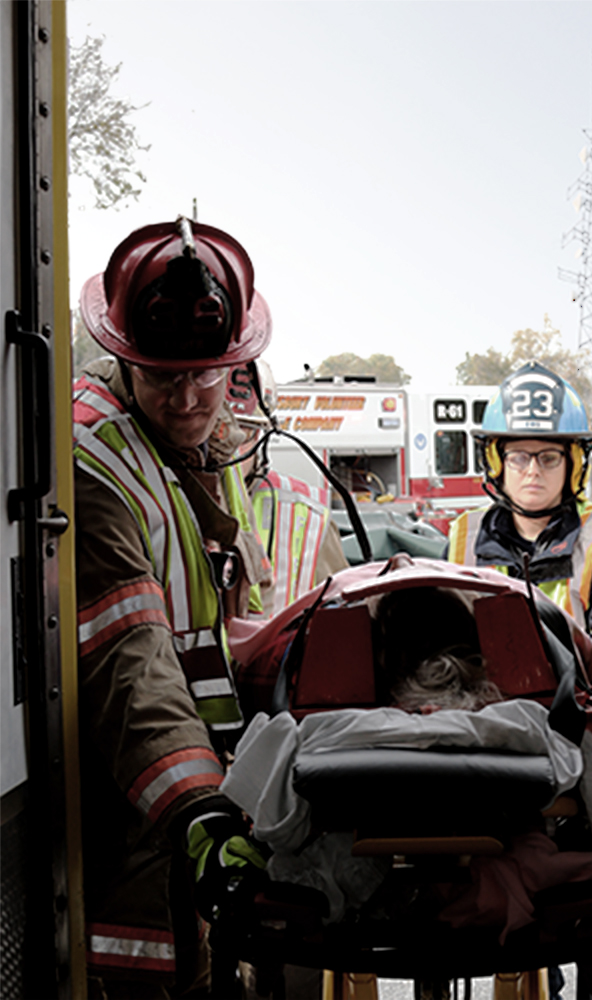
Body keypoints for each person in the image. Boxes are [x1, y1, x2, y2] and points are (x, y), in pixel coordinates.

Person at [74, 218, 278, 997]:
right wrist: (196, 803)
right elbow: (133, 661)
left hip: (200, 818)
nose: (189, 397)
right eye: (164, 377)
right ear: (124, 363)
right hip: (142, 829)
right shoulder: (96, 463)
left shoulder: (195, 451)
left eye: (210, 375)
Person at [448, 361, 592, 632]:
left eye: (549, 458)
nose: (533, 471)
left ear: (573, 465)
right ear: (496, 463)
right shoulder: (464, 537)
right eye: (519, 458)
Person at [225, 358, 349, 614]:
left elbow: (342, 626)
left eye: (242, 432)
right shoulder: (159, 499)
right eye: (217, 431)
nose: (225, 451)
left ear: (262, 434)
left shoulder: (310, 519)